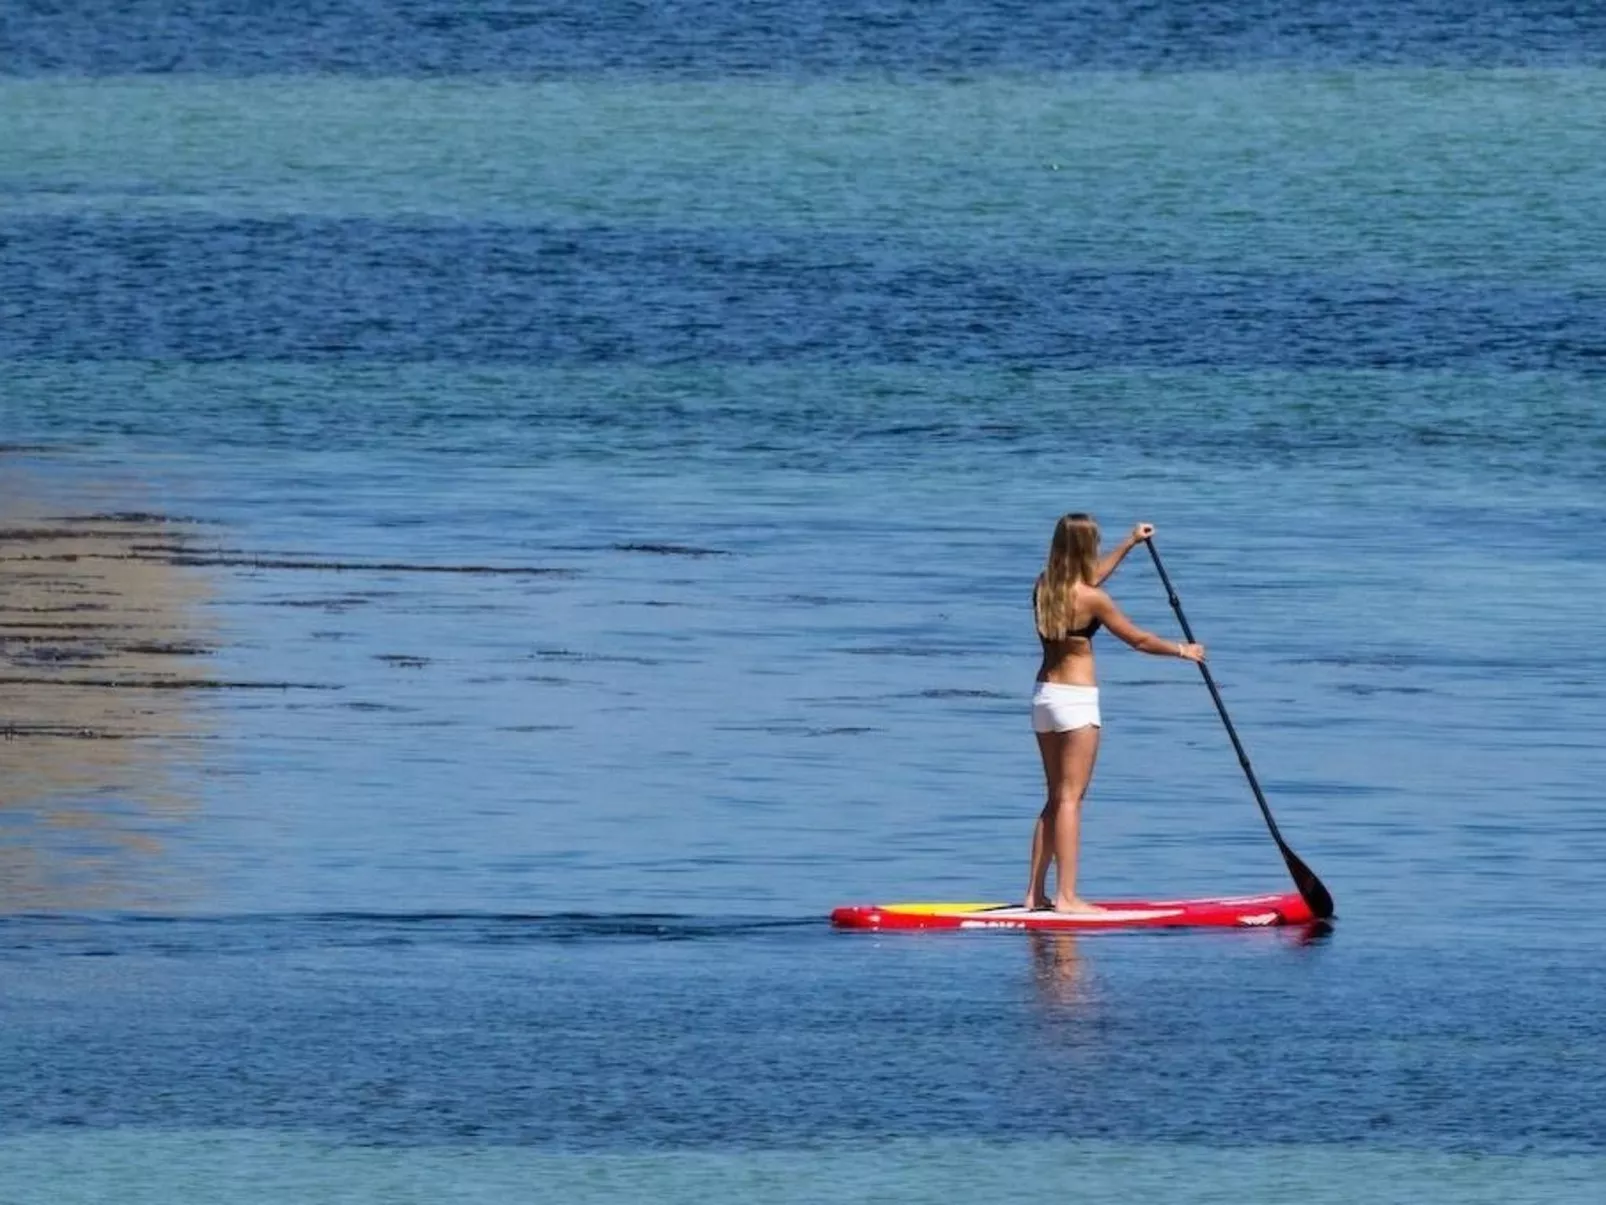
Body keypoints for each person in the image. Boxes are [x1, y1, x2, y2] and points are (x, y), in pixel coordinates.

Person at [1026, 514, 1205, 912]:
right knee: (1071, 799)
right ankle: (1067, 898)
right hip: (1076, 702)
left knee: (1055, 797)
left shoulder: (1044, 587)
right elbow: (1138, 640)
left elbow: (1089, 581)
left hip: (1043, 698)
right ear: (1086, 549)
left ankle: (1034, 893)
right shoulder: (1093, 600)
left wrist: (1129, 543)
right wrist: (1182, 651)